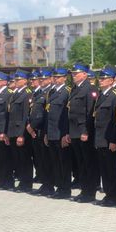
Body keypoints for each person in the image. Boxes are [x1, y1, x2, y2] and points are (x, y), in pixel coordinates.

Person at [68, 63, 99, 203]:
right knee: (80, 164)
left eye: (76, 73)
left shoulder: (90, 89)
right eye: (73, 74)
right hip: (74, 131)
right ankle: (84, 190)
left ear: (85, 74)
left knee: (88, 164)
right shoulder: (75, 89)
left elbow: (90, 112)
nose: (74, 76)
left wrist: (86, 131)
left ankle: (90, 192)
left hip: (83, 132)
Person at [93, 65, 116, 207]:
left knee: (111, 169)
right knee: (105, 169)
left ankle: (114, 196)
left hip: (108, 139)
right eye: (101, 78)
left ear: (112, 80)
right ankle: (109, 194)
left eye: (105, 78)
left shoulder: (115, 95)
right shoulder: (103, 94)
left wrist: (114, 140)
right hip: (100, 138)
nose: (101, 80)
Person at [45, 68, 72, 199]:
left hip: (60, 133)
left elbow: (67, 116)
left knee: (64, 163)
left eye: (58, 77)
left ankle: (65, 189)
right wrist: (46, 133)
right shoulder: (52, 92)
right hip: (51, 132)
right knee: (55, 162)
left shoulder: (67, 92)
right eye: (54, 77)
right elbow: (48, 115)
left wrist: (65, 134)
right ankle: (59, 187)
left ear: (65, 78)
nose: (55, 79)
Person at [28, 68, 55, 196]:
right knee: (40, 160)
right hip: (36, 130)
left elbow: (43, 114)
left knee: (46, 160)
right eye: (40, 79)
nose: (41, 81)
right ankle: (45, 184)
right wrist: (30, 126)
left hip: (42, 130)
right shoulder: (40, 93)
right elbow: (33, 112)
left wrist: (32, 126)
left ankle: (49, 186)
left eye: (44, 79)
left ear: (50, 79)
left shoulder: (50, 92)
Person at [7, 70, 34, 192]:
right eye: (15, 80)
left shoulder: (27, 94)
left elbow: (25, 116)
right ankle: (22, 182)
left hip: (20, 132)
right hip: (12, 130)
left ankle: (26, 184)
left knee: (24, 159)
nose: (16, 82)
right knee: (17, 159)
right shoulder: (15, 94)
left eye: (18, 80)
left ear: (25, 81)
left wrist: (21, 135)